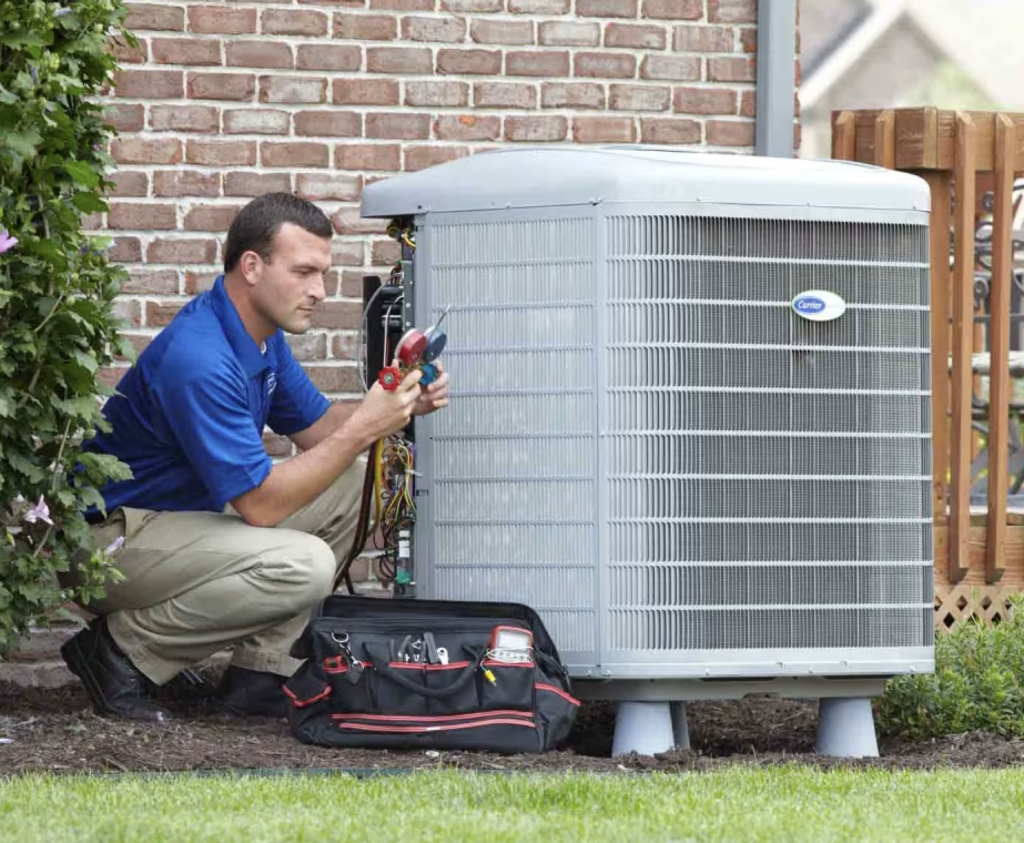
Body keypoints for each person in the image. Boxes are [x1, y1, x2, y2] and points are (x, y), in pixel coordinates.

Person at [59, 192, 449, 723]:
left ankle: (260, 677)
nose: (319, 291)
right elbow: (261, 507)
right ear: (252, 266)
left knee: (360, 484)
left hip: (176, 524)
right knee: (301, 564)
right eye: (304, 272)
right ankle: (121, 652)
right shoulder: (201, 357)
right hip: (108, 545)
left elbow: (320, 433)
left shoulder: (259, 338)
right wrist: (364, 427)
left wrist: (399, 405)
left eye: (324, 274)